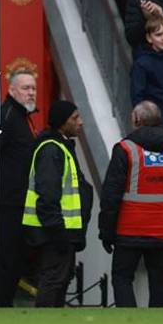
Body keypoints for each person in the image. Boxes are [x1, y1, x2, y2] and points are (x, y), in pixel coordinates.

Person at [99, 101, 163, 307]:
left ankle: (127, 323)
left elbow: (111, 194)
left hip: (129, 228)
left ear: (136, 120)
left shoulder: (125, 149)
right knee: (159, 281)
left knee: (122, 277)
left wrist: (106, 231)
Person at [23, 100, 93, 308]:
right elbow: (47, 197)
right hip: (55, 232)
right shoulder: (52, 151)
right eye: (75, 118)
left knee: (59, 281)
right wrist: (59, 233)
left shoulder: (59, 147)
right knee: (53, 281)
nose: (80, 122)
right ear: (62, 122)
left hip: (59, 231)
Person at [0, 70, 38, 307]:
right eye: (26, 88)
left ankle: (4, 302)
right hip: (7, 203)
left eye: (33, 88)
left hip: (20, 201)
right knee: (7, 257)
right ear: (11, 90)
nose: (31, 93)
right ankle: (0, 304)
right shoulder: (6, 117)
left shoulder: (22, 117)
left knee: (17, 257)